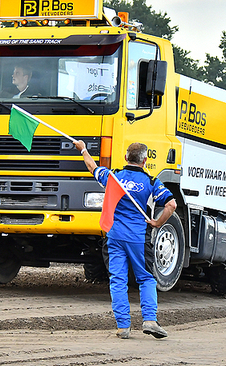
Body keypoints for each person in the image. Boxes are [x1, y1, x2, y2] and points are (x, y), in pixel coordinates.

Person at [73, 140, 177, 339]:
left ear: (125, 158)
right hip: (138, 238)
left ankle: (123, 327)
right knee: (145, 278)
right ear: (145, 160)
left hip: (115, 236)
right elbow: (171, 205)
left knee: (118, 280)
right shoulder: (152, 182)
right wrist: (156, 222)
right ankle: (149, 320)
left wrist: (84, 149)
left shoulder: (113, 177)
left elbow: (92, 168)